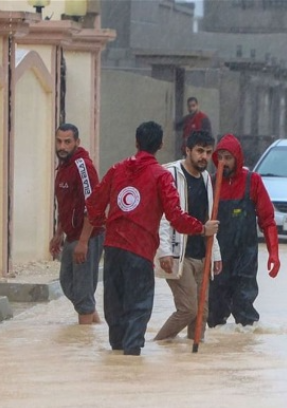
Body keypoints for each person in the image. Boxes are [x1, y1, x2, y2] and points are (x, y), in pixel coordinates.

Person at [78, 121, 219, 356]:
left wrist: (107, 225)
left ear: (136, 142)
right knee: (138, 308)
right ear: (161, 145)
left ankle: (117, 359)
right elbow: (176, 216)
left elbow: (93, 207)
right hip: (140, 252)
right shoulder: (161, 176)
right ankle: (131, 360)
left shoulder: (116, 170)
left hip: (112, 250)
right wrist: (202, 229)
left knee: (115, 308)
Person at [154, 130, 222, 342]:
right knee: (188, 309)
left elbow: (208, 218)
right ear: (188, 150)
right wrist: (164, 252)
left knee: (201, 313)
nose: (204, 157)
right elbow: (163, 217)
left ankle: (193, 364)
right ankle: (157, 345)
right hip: (178, 254)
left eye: (208, 152)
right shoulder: (169, 174)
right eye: (200, 151)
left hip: (202, 254)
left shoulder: (205, 178)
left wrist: (216, 254)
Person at [207, 133, 280, 327]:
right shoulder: (211, 183)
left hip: (245, 255)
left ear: (237, 159)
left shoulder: (252, 181)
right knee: (214, 311)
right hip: (218, 256)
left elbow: (268, 220)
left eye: (228, 158)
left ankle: (246, 346)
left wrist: (274, 254)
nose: (223, 162)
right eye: (220, 157)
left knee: (243, 305)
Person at [49, 123, 105, 325]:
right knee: (68, 284)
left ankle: (84, 343)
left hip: (88, 235)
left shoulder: (83, 167)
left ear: (77, 142)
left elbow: (93, 205)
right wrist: (58, 234)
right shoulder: (63, 167)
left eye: (67, 142)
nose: (62, 146)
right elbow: (66, 204)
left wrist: (84, 242)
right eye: (59, 141)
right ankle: (95, 325)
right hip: (72, 235)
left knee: (81, 292)